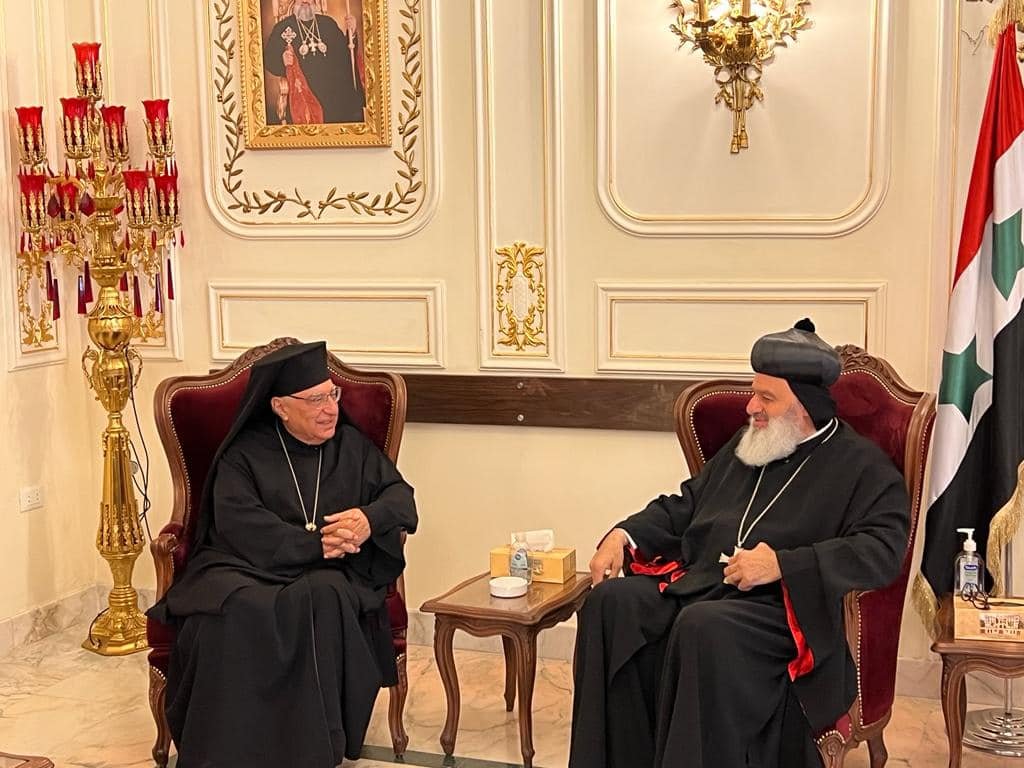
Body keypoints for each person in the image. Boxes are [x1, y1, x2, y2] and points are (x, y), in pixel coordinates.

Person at [568, 319, 909, 768]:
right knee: (610, 604)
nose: (751, 407)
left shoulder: (862, 466)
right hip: (704, 584)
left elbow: (883, 551)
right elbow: (685, 505)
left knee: (703, 626)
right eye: (754, 392)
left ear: (804, 406)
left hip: (781, 612)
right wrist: (622, 534)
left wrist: (783, 564)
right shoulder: (750, 445)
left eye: (767, 397)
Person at [148, 341, 417, 768]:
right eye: (315, 400)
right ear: (280, 407)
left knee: (325, 597)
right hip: (246, 566)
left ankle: (311, 751)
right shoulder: (244, 453)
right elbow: (239, 524)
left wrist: (368, 519)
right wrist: (316, 544)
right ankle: (227, 754)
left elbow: (401, 498)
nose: (330, 409)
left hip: (327, 573)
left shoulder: (350, 447)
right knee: (228, 612)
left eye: (332, 395)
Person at [263, 0, 366, 124]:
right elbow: (269, 59)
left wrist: (351, 33)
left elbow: (345, 56)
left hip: (334, 92)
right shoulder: (283, 28)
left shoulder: (328, 23)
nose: (305, 1)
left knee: (349, 105)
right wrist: (282, 60)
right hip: (304, 91)